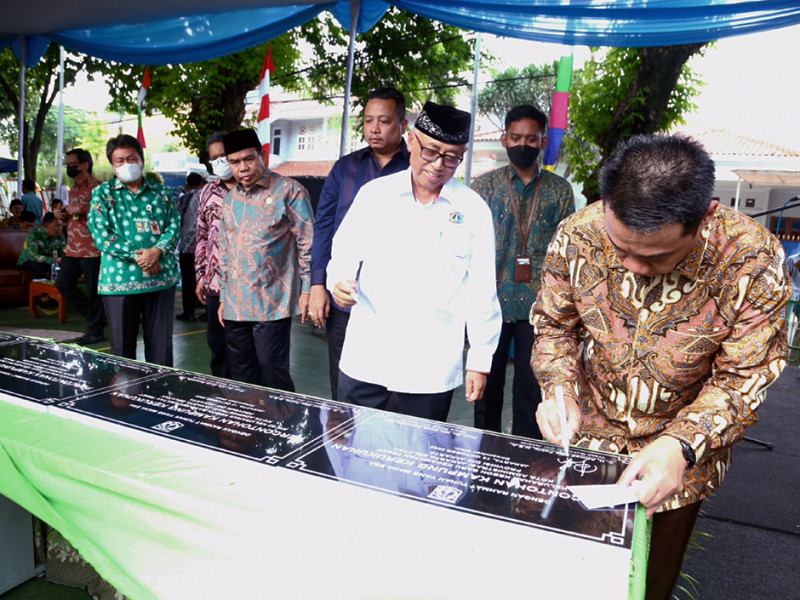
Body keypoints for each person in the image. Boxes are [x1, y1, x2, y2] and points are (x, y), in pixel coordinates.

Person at [531, 133, 791, 600]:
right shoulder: (579, 234)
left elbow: (743, 376)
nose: (634, 266)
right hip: (586, 442)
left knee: (647, 585)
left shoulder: (752, 259)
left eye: (655, 257)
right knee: (570, 577)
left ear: (704, 217)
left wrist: (681, 446)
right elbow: (554, 326)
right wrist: (558, 388)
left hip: (678, 462)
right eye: (620, 250)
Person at [327, 101, 502, 422]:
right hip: (368, 356)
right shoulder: (375, 195)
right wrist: (339, 281)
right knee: (355, 446)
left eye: (451, 157)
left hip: (430, 367)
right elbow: (343, 253)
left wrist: (480, 360)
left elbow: (481, 291)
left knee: (419, 449)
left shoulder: (473, 210)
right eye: (430, 152)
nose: (438, 165)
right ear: (411, 141)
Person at [471, 104, 575, 438]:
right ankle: (485, 447)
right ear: (504, 139)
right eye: (516, 138)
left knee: (533, 387)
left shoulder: (560, 190)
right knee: (487, 383)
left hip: (539, 306)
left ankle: (527, 451)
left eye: (531, 139)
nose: (523, 144)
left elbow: (566, 251)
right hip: (492, 301)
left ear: (543, 142)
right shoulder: (483, 188)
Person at [309, 86, 410, 400]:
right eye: (368, 121)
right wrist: (317, 285)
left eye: (384, 121)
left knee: (396, 386)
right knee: (345, 386)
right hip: (346, 297)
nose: (374, 128)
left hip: (399, 301)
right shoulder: (345, 169)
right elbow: (324, 229)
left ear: (403, 125)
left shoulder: (416, 170)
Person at [217, 129, 314, 390]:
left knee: (272, 373)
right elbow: (224, 250)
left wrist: (307, 290)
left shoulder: (290, 191)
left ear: (262, 154)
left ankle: (282, 416)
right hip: (235, 304)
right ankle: (248, 417)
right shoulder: (229, 200)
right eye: (234, 162)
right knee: (241, 376)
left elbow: (308, 243)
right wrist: (224, 297)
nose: (242, 168)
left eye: (248, 159)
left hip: (272, 304)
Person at [88, 134, 181, 367]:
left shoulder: (161, 193)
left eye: (131, 158)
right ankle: (124, 391)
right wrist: (141, 256)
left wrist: (158, 251)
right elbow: (101, 233)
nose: (126, 164)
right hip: (120, 282)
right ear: (113, 165)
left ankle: (159, 389)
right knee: (122, 352)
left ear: (141, 160)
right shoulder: (103, 193)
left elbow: (174, 226)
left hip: (160, 280)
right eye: (120, 160)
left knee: (161, 351)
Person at [54, 148, 106, 345]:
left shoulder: (98, 187)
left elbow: (105, 213)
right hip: (72, 247)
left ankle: (96, 330)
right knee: (63, 283)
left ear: (85, 165)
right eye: (67, 164)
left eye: (72, 164)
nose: (69, 167)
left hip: (92, 248)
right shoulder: (73, 189)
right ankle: (96, 317)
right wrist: (63, 216)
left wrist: (82, 209)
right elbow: (73, 217)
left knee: (94, 291)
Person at [195, 131, 235, 378]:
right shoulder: (208, 191)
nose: (219, 162)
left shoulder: (255, 189)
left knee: (247, 352)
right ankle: (220, 393)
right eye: (214, 158)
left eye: (224, 156)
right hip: (215, 284)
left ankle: (248, 398)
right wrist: (201, 275)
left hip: (248, 287)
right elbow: (202, 236)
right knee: (218, 346)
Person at [175, 171, 206, 322]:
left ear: (187, 185)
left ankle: (189, 312)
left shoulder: (183, 199)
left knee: (188, 280)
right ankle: (207, 311)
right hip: (207, 248)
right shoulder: (209, 197)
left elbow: (176, 220)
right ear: (201, 184)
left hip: (188, 248)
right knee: (206, 278)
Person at [16, 212, 66, 279]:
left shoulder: (60, 236)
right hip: (28, 261)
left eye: (61, 225)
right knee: (40, 267)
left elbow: (63, 251)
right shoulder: (34, 234)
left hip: (48, 262)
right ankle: (39, 285)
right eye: (56, 226)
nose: (60, 228)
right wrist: (53, 260)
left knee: (66, 267)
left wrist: (64, 259)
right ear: (46, 225)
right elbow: (33, 255)